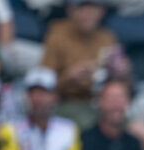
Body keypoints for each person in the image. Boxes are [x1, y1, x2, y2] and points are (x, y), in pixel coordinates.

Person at [40, 0, 117, 128]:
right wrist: (68, 77)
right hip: (66, 102)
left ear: (102, 12)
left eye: (92, 8)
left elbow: (116, 82)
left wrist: (121, 72)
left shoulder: (107, 38)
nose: (86, 14)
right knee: (90, 124)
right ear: (71, 10)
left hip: (101, 103)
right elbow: (42, 85)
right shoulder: (57, 34)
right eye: (81, 8)